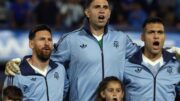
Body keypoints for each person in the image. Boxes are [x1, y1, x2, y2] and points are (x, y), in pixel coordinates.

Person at [4, 0, 180, 100]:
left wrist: (173, 55)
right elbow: (44, 58)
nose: (102, 10)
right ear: (87, 12)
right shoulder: (71, 40)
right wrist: (19, 62)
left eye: (105, 7)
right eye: (97, 7)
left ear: (110, 13)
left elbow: (148, 53)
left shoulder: (121, 39)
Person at [3, 24, 68, 101]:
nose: (47, 43)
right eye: (42, 39)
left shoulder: (60, 69)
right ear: (31, 44)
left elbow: (64, 93)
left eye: (49, 39)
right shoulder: (16, 73)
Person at [123, 17, 180, 101]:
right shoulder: (126, 66)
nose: (156, 36)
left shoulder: (176, 65)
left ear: (164, 37)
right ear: (142, 37)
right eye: (151, 32)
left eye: (160, 32)